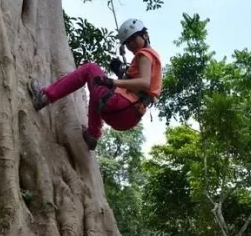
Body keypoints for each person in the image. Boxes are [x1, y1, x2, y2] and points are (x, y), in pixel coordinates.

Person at [28, 18, 162, 150]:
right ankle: (92, 135)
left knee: (90, 69)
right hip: (128, 117)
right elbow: (143, 89)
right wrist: (121, 73)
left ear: (145, 35)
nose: (131, 44)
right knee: (98, 90)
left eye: (133, 38)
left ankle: (44, 97)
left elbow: (144, 83)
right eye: (127, 42)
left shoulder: (144, 54)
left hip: (119, 106)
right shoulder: (154, 60)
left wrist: (113, 81)